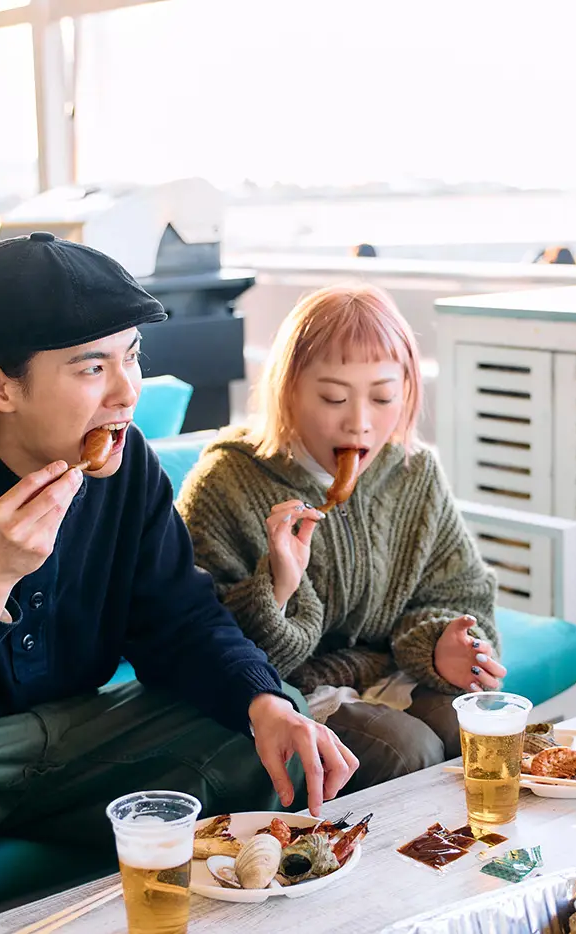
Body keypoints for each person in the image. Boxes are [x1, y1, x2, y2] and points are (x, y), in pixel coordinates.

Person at [0, 233, 358, 934]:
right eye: (92, 368)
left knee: (264, 721)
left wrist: (262, 700)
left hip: (74, 734)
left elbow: (180, 622)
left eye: (131, 356)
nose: (127, 390)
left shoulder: (127, 468)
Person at [175, 285, 507, 794]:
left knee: (472, 724)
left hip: (391, 672)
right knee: (407, 750)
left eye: (383, 397)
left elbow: (461, 595)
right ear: (288, 391)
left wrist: (444, 645)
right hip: (291, 693)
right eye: (333, 398)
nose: (359, 422)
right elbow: (201, 643)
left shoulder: (414, 472)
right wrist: (277, 588)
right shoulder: (224, 484)